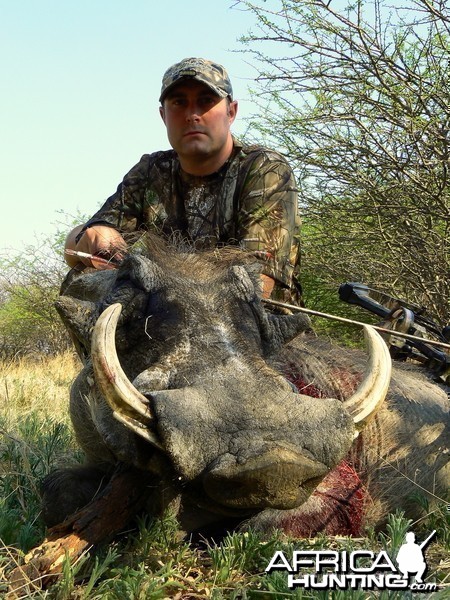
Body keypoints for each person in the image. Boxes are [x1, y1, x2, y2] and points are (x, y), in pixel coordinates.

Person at [65, 57, 302, 303]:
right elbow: (74, 250)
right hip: (168, 314)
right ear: (163, 116)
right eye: (179, 102)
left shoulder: (264, 169)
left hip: (255, 323)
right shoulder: (151, 171)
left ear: (231, 112)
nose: (192, 115)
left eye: (206, 101)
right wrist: (93, 235)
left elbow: (256, 284)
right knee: (82, 274)